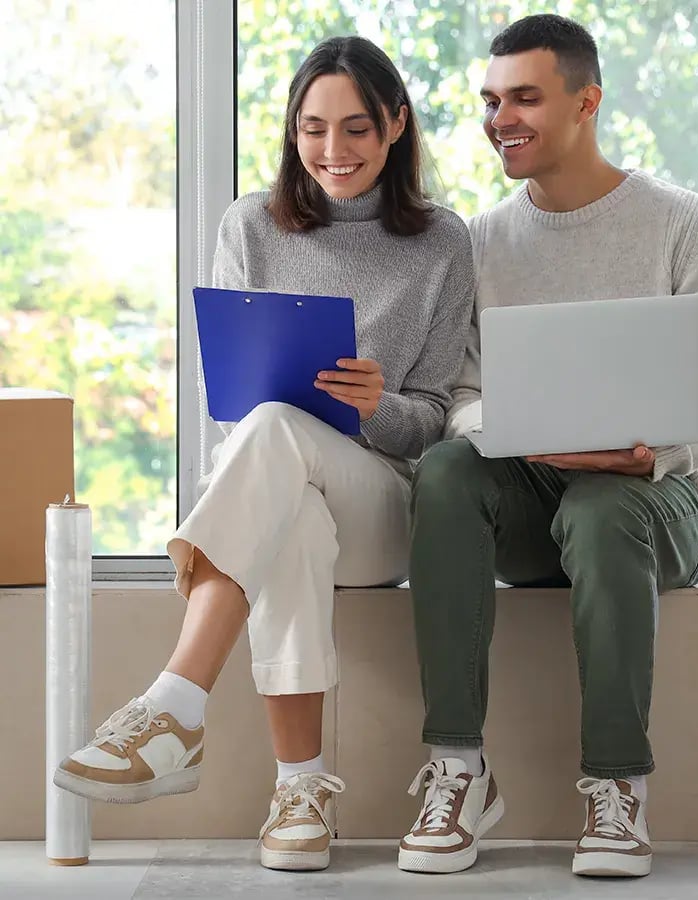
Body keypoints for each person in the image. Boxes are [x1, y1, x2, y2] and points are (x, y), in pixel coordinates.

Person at [53, 36, 474, 873]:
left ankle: (175, 705)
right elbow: (231, 413)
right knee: (287, 498)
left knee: (281, 441)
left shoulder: (442, 243)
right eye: (312, 129)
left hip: (385, 508)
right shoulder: (249, 225)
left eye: (356, 128)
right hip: (284, 499)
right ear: (290, 132)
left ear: (396, 126)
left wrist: (374, 406)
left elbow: (434, 421)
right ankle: (300, 793)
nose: (333, 150)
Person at [398, 14, 698, 879]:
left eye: (524, 97)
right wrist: (520, 435)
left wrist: (652, 452)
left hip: (668, 496)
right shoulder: (481, 240)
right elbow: (463, 397)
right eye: (490, 100)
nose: (500, 118)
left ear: (586, 102)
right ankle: (457, 768)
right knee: (445, 470)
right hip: (536, 487)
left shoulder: (679, 221)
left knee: (603, 508)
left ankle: (616, 787)